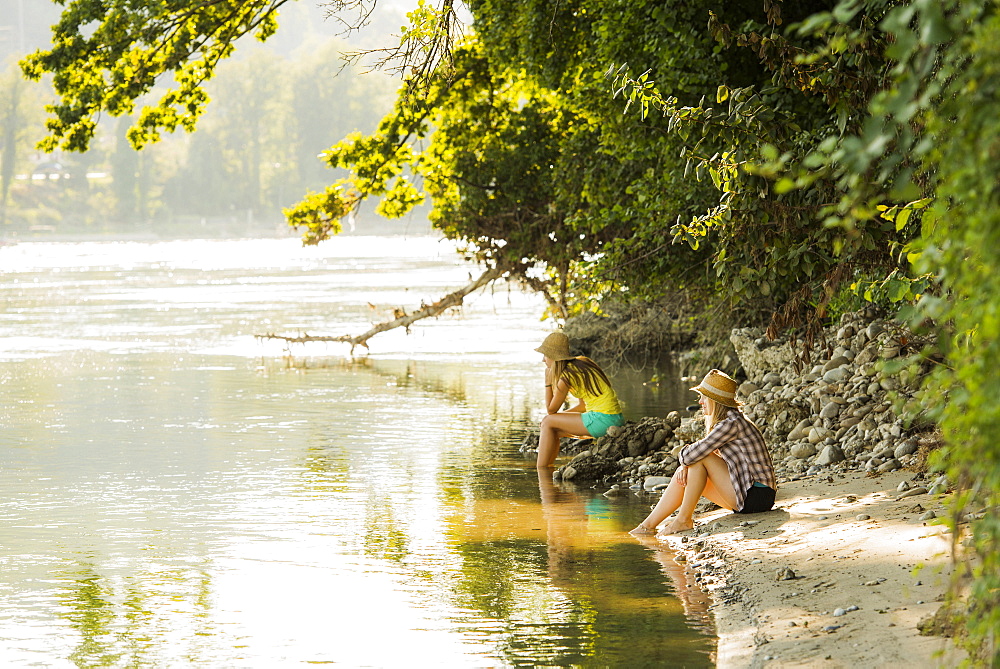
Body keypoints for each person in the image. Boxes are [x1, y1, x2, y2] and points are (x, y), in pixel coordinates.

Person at [630, 369, 776, 536]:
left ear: (715, 400)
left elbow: (696, 454)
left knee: (700, 459)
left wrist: (686, 460)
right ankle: (647, 526)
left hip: (757, 495)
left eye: (703, 397)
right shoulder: (729, 421)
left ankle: (683, 520)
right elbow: (696, 455)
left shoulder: (730, 424)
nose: (700, 402)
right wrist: (686, 465)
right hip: (751, 494)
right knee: (687, 468)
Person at [534, 332, 624, 468]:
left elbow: (551, 410)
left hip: (603, 419)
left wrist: (548, 383)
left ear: (553, 357)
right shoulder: (582, 364)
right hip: (615, 418)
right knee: (553, 429)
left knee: (547, 422)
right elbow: (582, 406)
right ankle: (548, 468)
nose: (543, 360)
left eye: (545, 355)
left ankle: (541, 471)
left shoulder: (566, 377)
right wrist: (559, 419)